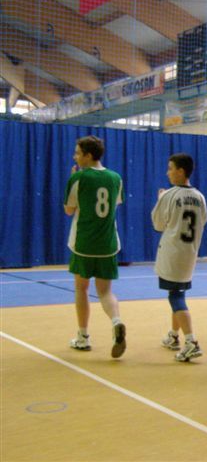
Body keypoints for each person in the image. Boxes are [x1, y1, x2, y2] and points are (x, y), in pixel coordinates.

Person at [63, 135, 126, 358]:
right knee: (105, 292)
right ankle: (116, 321)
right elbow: (115, 204)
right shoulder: (116, 178)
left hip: (84, 243)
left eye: (78, 153)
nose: (75, 157)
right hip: (107, 244)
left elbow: (69, 210)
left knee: (81, 288)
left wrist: (73, 180)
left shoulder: (78, 178)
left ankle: (83, 336)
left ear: (88, 156)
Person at [152, 153, 207, 362]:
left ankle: (191, 341)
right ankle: (174, 335)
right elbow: (203, 220)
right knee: (177, 291)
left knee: (176, 296)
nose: (168, 172)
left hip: (172, 252)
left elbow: (158, 225)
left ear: (181, 171)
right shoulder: (200, 197)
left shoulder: (169, 195)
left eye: (170, 168)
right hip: (189, 252)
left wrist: (160, 199)